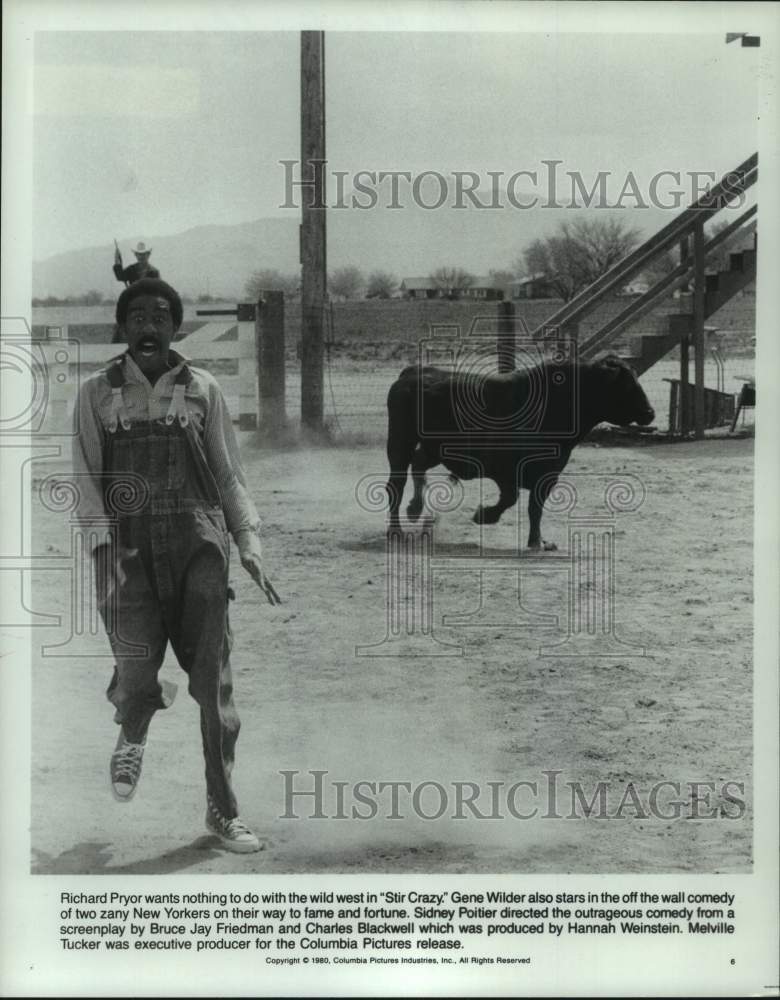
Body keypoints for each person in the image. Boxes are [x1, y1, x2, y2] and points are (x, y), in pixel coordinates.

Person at [72, 277, 280, 853]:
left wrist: (249, 543)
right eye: (136, 315)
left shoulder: (204, 388)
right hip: (126, 552)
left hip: (199, 545)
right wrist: (102, 550)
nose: (148, 325)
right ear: (122, 327)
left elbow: (228, 474)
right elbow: (86, 479)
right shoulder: (96, 392)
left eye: (160, 315)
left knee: (213, 685)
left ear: (175, 326)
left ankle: (223, 809)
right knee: (136, 668)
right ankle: (133, 729)